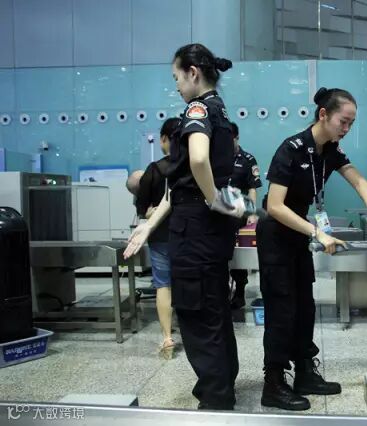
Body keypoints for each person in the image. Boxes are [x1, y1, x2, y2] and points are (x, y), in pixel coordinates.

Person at [257, 87, 367, 411]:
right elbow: (275, 206)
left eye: (351, 123)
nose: (347, 128)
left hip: (297, 235)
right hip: (276, 236)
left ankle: (305, 373)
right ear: (323, 115)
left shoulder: (329, 151)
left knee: (304, 307)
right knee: (282, 311)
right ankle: (274, 383)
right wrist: (317, 233)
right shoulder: (291, 149)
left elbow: (359, 181)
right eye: (343, 121)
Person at [124, 43, 245, 410]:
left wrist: (213, 198)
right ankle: (221, 385)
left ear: (193, 73)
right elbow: (180, 187)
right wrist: (148, 227)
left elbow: (197, 160)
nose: (176, 85)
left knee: (196, 313)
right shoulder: (220, 110)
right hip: (206, 228)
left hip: (195, 231)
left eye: (177, 77)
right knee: (214, 310)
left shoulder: (197, 109)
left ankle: (216, 400)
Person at [135, 117, 181, 358]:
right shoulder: (190, 167)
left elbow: (142, 208)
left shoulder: (154, 169)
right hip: (188, 235)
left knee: (163, 285)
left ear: (163, 139)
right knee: (188, 282)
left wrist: (152, 211)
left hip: (161, 236)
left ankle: (167, 338)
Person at [228, 122, 262, 310]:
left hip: (239, 214)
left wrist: (252, 212)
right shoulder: (216, 158)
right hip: (219, 212)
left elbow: (252, 188)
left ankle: (239, 291)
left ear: (237, 138)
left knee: (237, 253)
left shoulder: (247, 159)